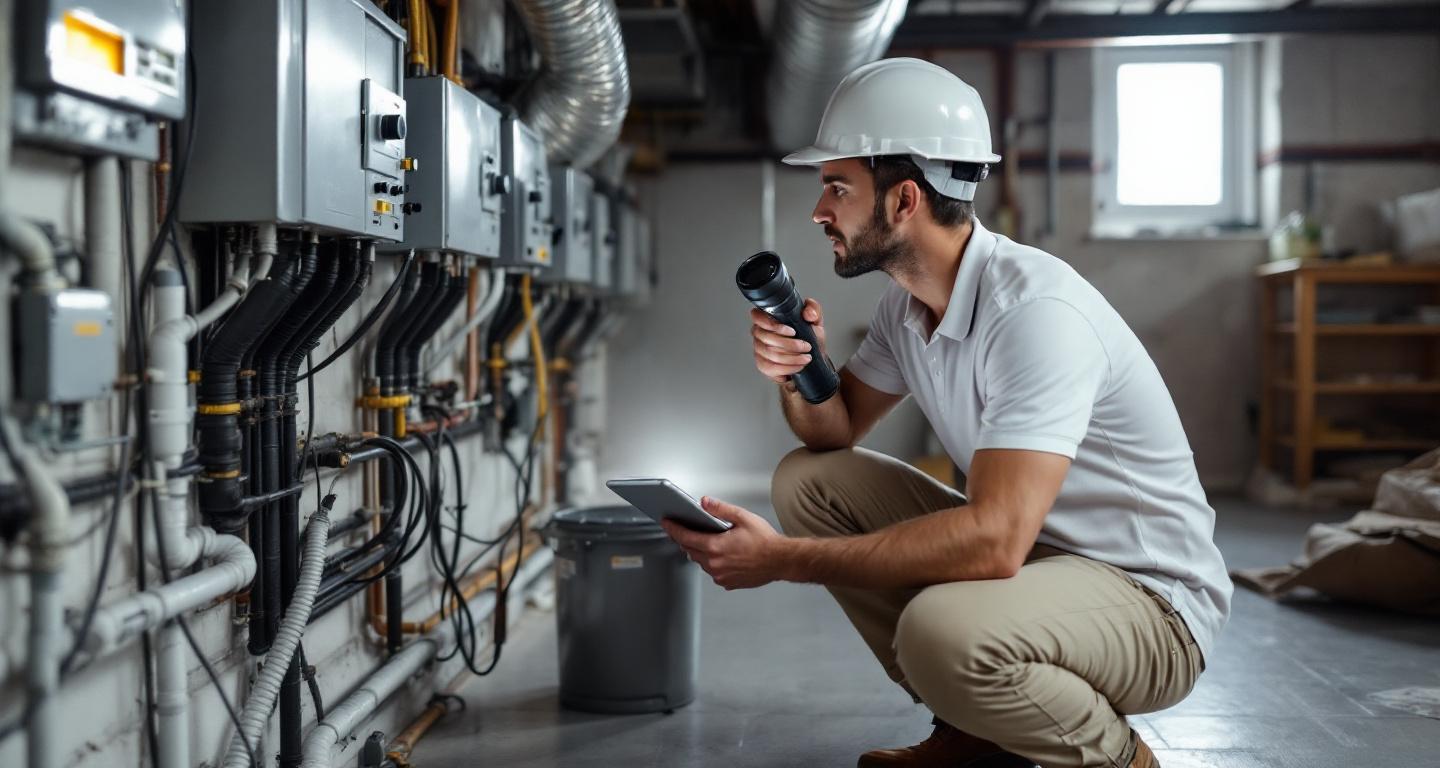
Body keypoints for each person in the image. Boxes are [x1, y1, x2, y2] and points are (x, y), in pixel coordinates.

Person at [659, 58, 1232, 768]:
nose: (819, 211)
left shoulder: (1033, 314)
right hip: (1045, 568)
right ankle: (976, 733)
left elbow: (994, 542)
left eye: (837, 188)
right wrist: (797, 365)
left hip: (1153, 606)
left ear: (904, 201)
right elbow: (832, 432)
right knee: (808, 483)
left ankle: (1118, 762)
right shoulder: (907, 306)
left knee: (943, 629)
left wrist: (782, 561)